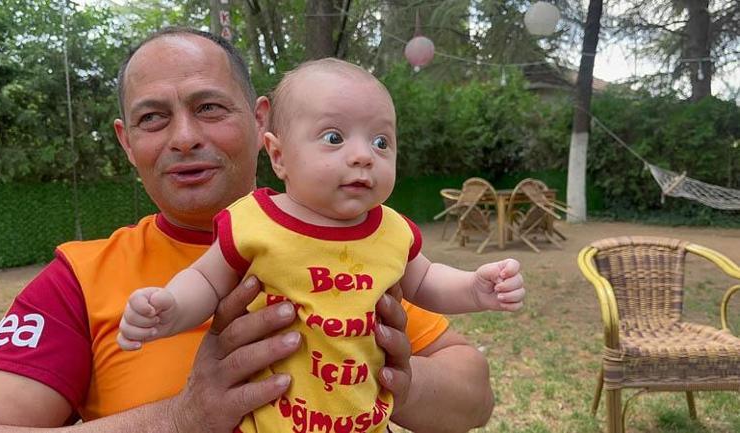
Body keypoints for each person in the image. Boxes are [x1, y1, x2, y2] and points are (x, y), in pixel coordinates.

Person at [0, 28, 503, 432]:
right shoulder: (77, 280)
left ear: (261, 121)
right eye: (153, 118)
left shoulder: (354, 240)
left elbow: (474, 396)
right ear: (127, 142)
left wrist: (387, 382)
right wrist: (178, 418)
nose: (183, 137)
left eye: (208, 107)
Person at [117, 59, 525, 433]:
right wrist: (169, 308)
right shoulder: (254, 221)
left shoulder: (390, 231)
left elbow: (426, 280)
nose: (364, 156)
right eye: (334, 137)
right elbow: (205, 282)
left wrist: (474, 288)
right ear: (278, 156)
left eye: (382, 142)